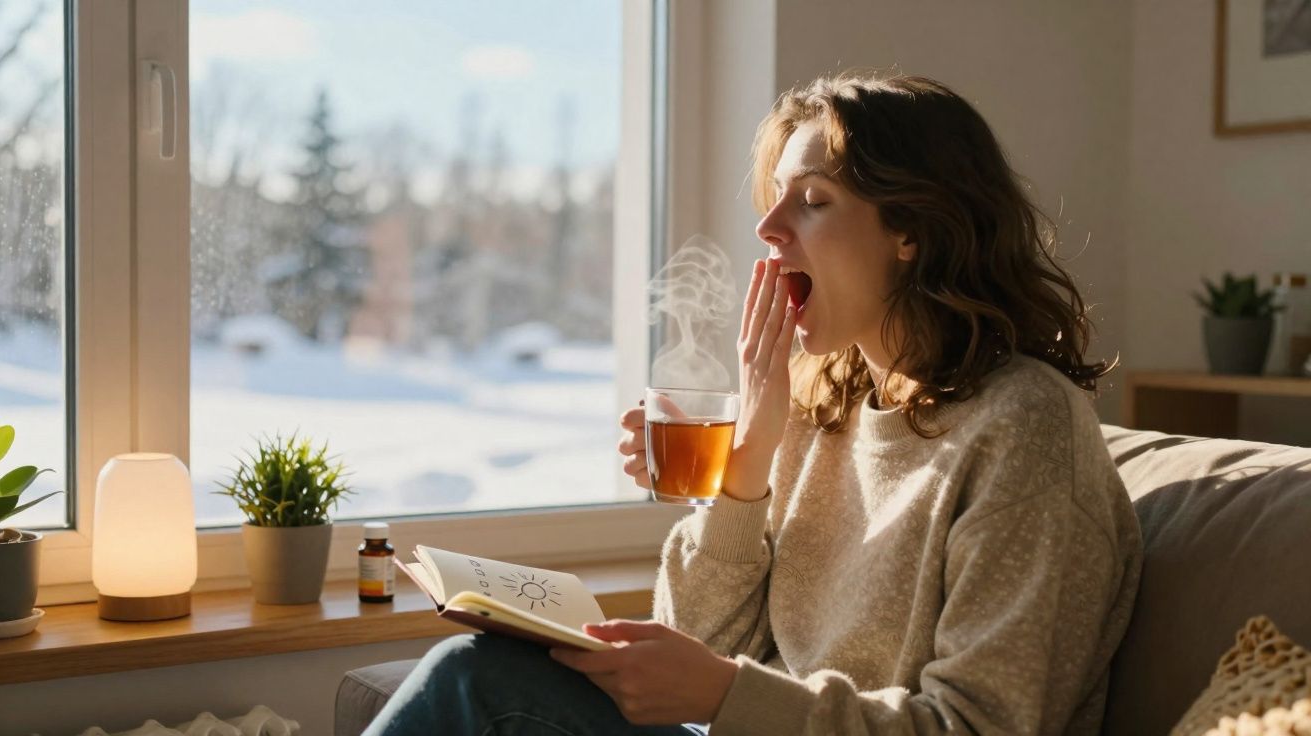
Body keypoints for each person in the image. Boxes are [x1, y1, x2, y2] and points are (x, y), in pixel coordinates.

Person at [364, 71, 1143, 736]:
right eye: (775, 199)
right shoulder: (825, 402)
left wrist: (727, 694)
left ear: (911, 228)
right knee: (480, 666)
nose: (769, 227)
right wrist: (745, 468)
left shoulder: (1026, 427)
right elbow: (697, 639)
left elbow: (981, 725)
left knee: (474, 686)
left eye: (813, 200)